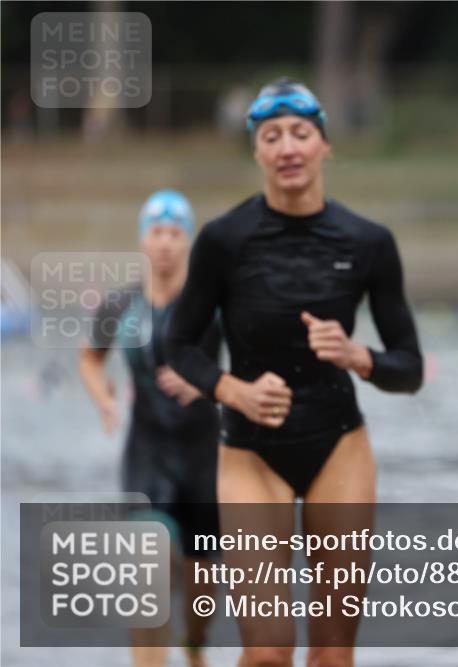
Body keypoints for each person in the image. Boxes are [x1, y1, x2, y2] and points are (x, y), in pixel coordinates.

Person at [166, 77, 422, 667]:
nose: (287, 148)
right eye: (271, 135)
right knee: (269, 651)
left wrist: (359, 357)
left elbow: (407, 368)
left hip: (340, 449)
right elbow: (178, 345)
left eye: (301, 134)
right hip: (250, 455)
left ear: (324, 145)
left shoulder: (368, 242)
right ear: (256, 150)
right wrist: (234, 390)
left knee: (333, 655)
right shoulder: (222, 240)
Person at [79, 189, 221, 667]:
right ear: (143, 240)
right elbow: (90, 359)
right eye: (156, 233)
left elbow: (248, 365)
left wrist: (206, 382)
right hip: (147, 456)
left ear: (188, 243)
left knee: (201, 590)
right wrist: (103, 398)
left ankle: (196, 649)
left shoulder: (212, 306)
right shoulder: (122, 304)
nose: (165, 243)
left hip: (204, 461)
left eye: (175, 234)